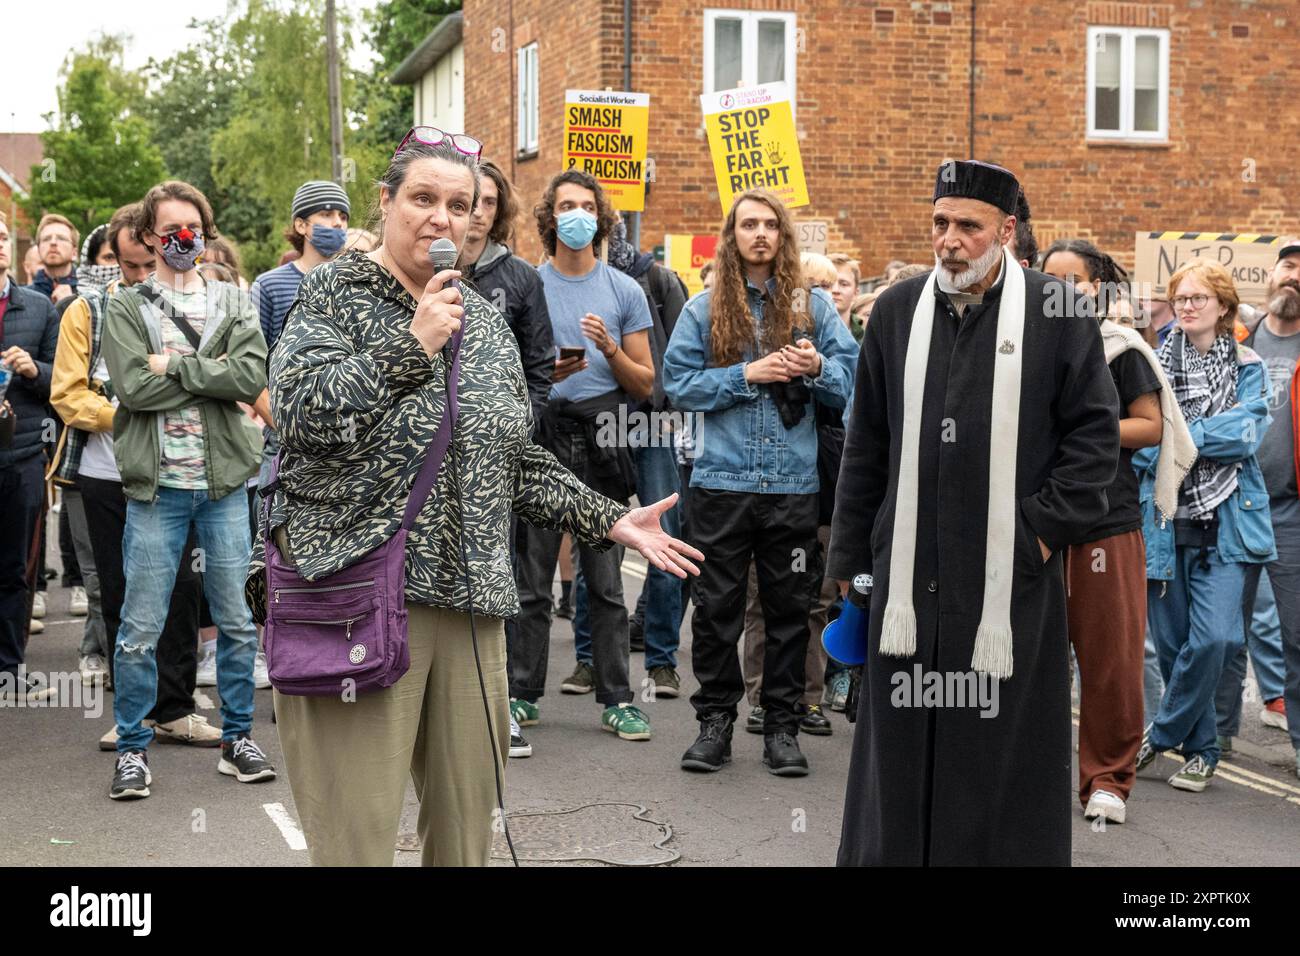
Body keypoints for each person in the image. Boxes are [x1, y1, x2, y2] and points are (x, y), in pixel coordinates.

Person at [254, 131, 700, 865]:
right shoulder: (329, 294)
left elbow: (513, 458)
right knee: (355, 839)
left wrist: (609, 517)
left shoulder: (483, 320)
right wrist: (412, 344)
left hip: (470, 602)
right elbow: (301, 415)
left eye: (459, 205)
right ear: (387, 202)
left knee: (465, 838)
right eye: (423, 199)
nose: (441, 218)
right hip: (356, 593)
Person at [828, 161, 1121, 865]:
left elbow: (1095, 438)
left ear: (1007, 231)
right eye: (940, 223)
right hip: (908, 576)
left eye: (968, 225)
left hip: (1009, 582)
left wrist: (1038, 538)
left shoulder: (1060, 312)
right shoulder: (897, 311)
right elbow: (866, 440)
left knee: (997, 752)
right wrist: (848, 560)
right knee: (898, 754)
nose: (950, 241)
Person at [665, 188, 857, 777]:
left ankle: (781, 726)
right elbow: (676, 383)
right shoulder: (704, 306)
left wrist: (818, 367)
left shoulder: (812, 308)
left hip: (792, 486)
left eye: (770, 225)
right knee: (717, 608)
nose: (760, 234)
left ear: (782, 235)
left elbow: (851, 381)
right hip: (721, 482)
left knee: (789, 610)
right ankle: (715, 724)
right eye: (748, 224)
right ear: (732, 235)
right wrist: (745, 374)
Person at [101, 180, 271, 799]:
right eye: (169, 229)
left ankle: (237, 739)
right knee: (140, 626)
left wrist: (173, 365)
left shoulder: (233, 299)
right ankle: (132, 747)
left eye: (191, 227)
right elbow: (133, 391)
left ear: (205, 231)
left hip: (223, 483)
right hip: (157, 490)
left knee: (235, 620)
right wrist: (214, 378)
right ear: (148, 235)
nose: (181, 239)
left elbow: (252, 375)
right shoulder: (125, 306)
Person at [49, 202, 216, 748]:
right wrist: (132, 412)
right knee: (121, 595)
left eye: (153, 262)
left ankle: (176, 708)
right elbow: (68, 395)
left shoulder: (199, 303)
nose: (145, 275)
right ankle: (134, 712)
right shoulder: (87, 311)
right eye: (132, 266)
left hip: (180, 471)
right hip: (107, 475)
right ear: (116, 261)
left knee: (183, 592)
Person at [1042, 238, 1191, 824]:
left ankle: (1107, 779)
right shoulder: (1017, 349)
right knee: (1029, 660)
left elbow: (1151, 428)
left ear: (1098, 289)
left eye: (1071, 279)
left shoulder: (1120, 348)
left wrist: (1079, 429)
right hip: (1036, 523)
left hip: (1104, 525)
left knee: (1109, 661)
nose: (1056, 288)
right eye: (1046, 276)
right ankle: (1031, 771)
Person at [509, 169, 658, 747]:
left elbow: (645, 384)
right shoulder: (527, 284)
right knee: (533, 579)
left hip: (602, 439)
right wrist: (552, 370)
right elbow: (511, 372)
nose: (576, 215)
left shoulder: (624, 290)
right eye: (565, 205)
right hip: (544, 433)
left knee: (607, 583)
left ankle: (619, 700)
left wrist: (609, 350)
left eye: (586, 207)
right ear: (550, 218)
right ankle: (522, 693)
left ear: (601, 219)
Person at [1135, 258, 1276, 792]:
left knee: (1216, 638)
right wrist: (1178, 436)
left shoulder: (1248, 365)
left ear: (1223, 307)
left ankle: (1161, 733)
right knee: (1173, 648)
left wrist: (1173, 433)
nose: (1188, 307)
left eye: (1199, 299)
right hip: (1166, 524)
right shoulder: (1150, 363)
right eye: (1181, 298)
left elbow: (1244, 437)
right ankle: (1202, 751)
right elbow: (1142, 449)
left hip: (1228, 523)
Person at [568, 216, 690, 699]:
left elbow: (680, 354)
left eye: (612, 224)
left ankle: (661, 661)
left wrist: (675, 416)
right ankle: (587, 659)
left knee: (662, 539)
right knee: (596, 540)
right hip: (602, 423)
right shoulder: (577, 281)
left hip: (654, 424)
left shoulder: (657, 278)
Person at [457, 159, 555, 756]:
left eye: (488, 202)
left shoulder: (519, 278)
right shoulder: (421, 271)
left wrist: (519, 430)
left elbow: (539, 369)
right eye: (469, 201)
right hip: (427, 467)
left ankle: (505, 704)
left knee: (503, 580)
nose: (476, 213)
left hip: (498, 463)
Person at [1218, 240, 1300, 778]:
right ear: (1270, 274)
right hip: (1231, 503)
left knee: (1296, 633)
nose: (1294, 276)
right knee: (1224, 630)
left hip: (1291, 511)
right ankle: (1216, 737)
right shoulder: (1235, 340)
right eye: (1290, 265)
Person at [0, 214, 61, 702]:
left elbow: (61, 380)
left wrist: (33, 368)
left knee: (15, 567)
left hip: (20, 455)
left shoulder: (38, 307)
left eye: (2, 237)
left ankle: (9, 670)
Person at [30, 213, 80, 305]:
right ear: (39, 250)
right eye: (46, 239)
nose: (53, 242)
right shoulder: (21, 298)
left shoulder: (88, 294)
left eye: (61, 238)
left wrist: (68, 303)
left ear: (74, 253)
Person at [828, 253, 860, 331]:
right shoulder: (802, 333)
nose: (835, 290)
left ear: (855, 293)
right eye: (828, 284)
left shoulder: (867, 335)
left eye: (844, 284)